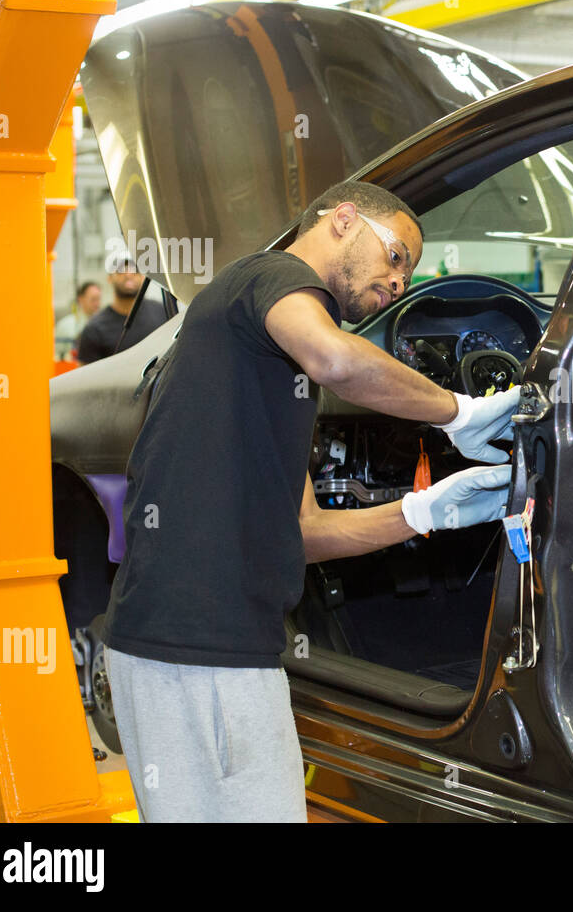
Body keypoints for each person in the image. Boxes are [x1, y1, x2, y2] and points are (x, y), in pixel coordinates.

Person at [99, 180, 519, 822]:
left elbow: (305, 530)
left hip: (216, 649)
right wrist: (459, 412)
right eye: (397, 257)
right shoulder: (270, 276)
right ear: (343, 220)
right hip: (193, 647)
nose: (400, 284)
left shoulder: (274, 364)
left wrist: (425, 510)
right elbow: (335, 358)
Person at [75, 259, 167, 364]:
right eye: (121, 271)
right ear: (109, 278)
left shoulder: (163, 311)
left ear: (142, 277)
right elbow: (86, 375)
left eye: (135, 271)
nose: (128, 275)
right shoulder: (94, 328)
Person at [54, 280, 102, 361]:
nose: (97, 304)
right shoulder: (65, 325)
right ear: (80, 299)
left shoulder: (103, 325)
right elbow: (56, 356)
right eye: (93, 299)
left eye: (98, 299)